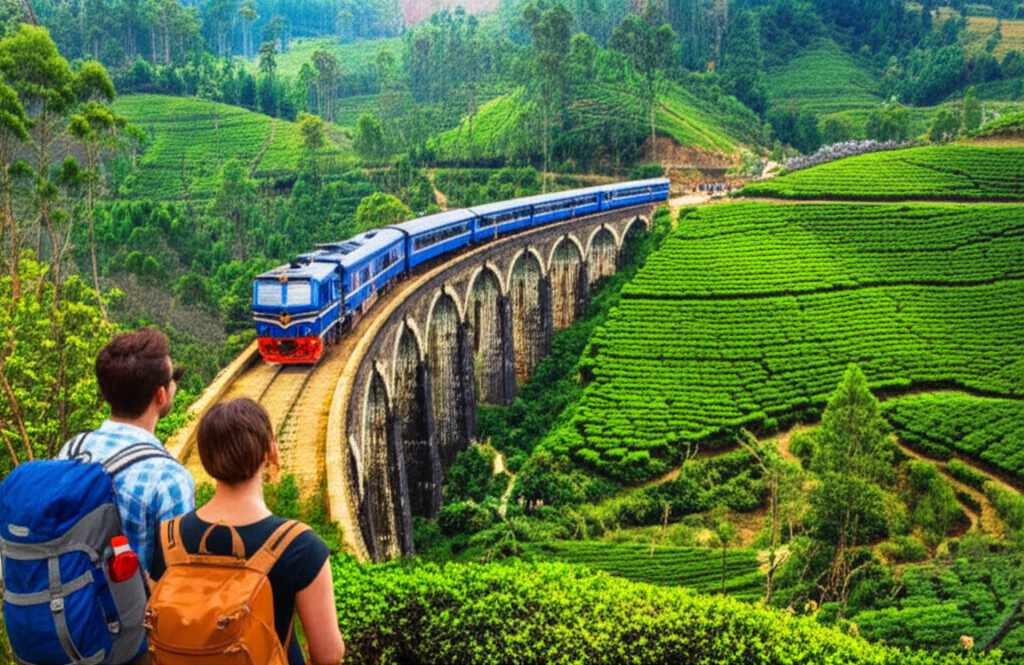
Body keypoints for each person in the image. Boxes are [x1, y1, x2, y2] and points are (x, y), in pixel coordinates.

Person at [149, 398, 345, 665]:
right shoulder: (301, 546)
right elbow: (328, 654)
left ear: (205, 458)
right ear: (270, 451)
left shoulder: (169, 539)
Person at [57, 326, 195, 573]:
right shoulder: (169, 479)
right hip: (131, 611)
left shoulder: (72, 450)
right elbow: (179, 582)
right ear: (161, 395)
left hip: (66, 607)